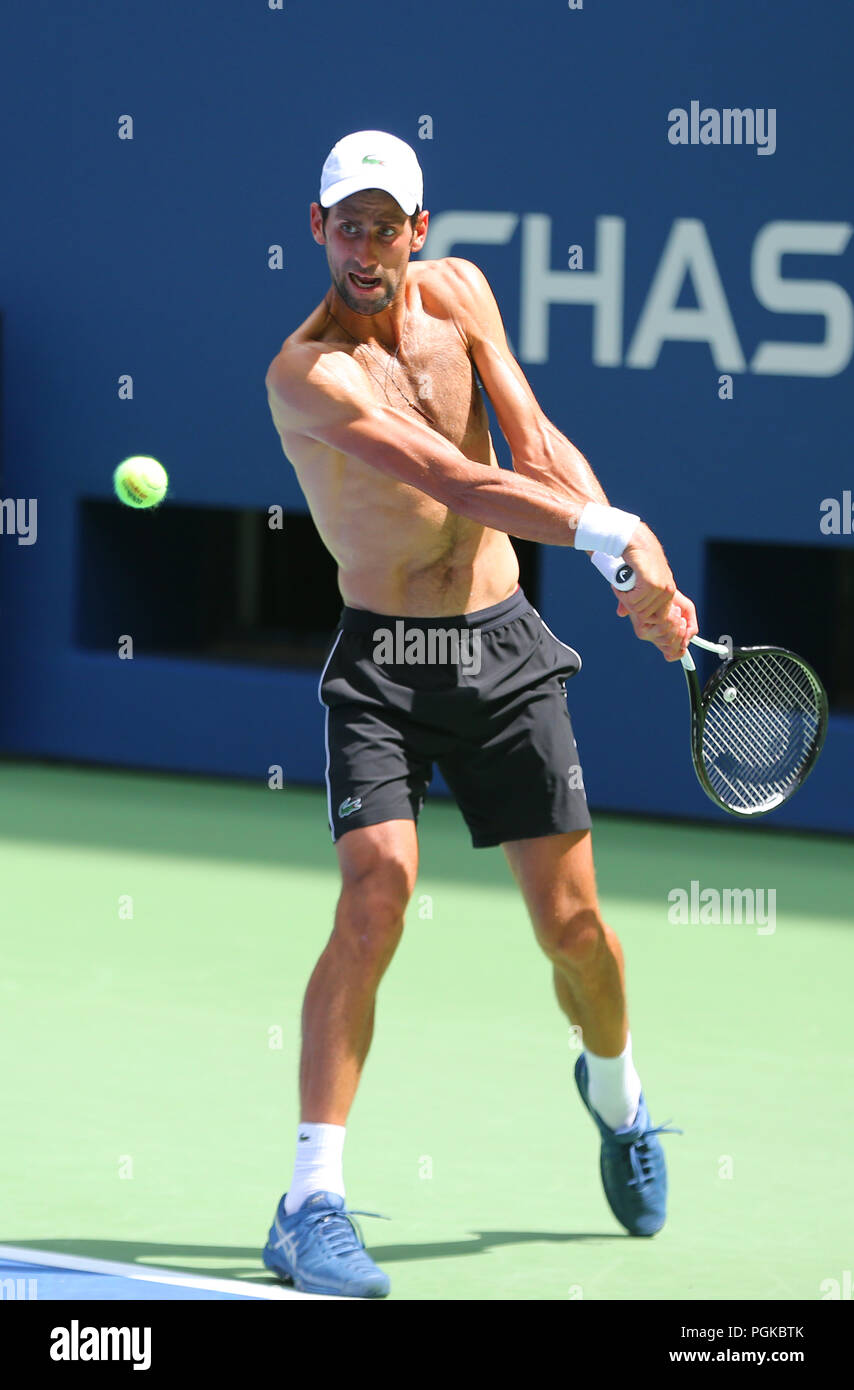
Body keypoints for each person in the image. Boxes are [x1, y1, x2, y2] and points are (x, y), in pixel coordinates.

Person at [261, 130, 698, 1299]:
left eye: (382, 223)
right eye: (341, 224)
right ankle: (309, 1201)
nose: (363, 246)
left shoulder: (459, 293)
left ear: (418, 227)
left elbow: (530, 439)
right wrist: (615, 535)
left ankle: (617, 1096)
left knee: (575, 935)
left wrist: (630, 577)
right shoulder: (307, 372)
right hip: (383, 668)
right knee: (376, 894)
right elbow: (451, 481)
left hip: (502, 647)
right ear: (317, 231)